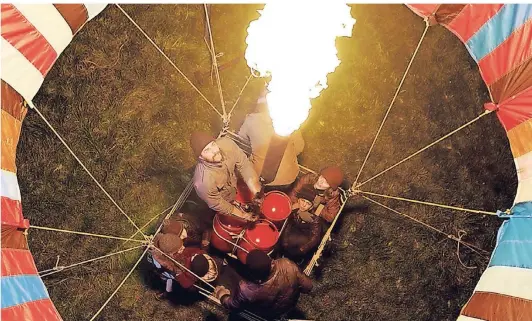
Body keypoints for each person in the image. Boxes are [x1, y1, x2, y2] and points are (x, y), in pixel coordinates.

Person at [238, 89, 305, 192]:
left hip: (258, 177)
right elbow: (299, 147)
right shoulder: (290, 119)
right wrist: (284, 154)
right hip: (288, 178)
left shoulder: (252, 120)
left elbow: (241, 139)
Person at [214, 250, 313, 319]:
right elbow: (308, 286)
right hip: (291, 304)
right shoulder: (287, 264)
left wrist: (222, 295)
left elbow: (234, 305)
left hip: (269, 314)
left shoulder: (247, 290)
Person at [190, 131, 263, 221]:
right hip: (225, 199)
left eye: (213, 144)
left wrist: (257, 193)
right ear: (201, 157)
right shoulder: (203, 182)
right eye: (207, 150)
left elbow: (244, 165)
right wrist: (243, 215)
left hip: (235, 186)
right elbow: (218, 203)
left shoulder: (227, 145)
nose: (214, 151)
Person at [148, 229, 218, 299]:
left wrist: (157, 256)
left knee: (170, 281)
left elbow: (170, 267)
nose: (183, 248)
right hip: (177, 265)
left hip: (180, 277)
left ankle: (167, 293)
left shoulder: (186, 274)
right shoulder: (198, 254)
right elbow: (193, 249)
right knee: (165, 275)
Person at [281, 185, 323, 260]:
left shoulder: (314, 219)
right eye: (303, 201)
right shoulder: (294, 211)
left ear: (311, 207)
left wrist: (301, 250)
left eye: (308, 203)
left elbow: (314, 238)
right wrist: (285, 242)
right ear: (298, 200)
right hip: (292, 239)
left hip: (303, 244)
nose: (304, 205)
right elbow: (288, 226)